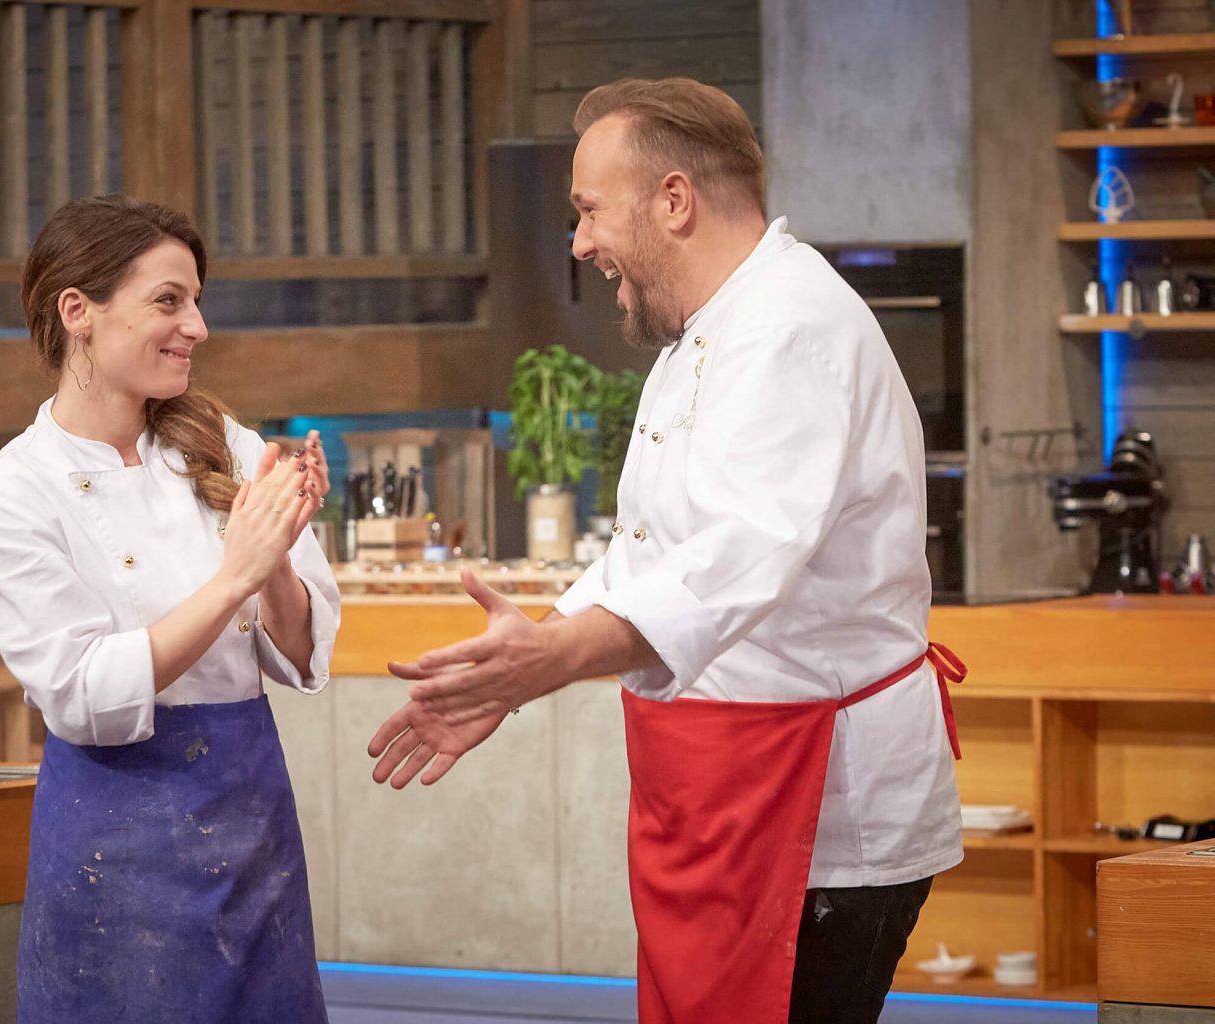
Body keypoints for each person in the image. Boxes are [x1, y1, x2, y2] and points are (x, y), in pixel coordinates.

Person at [367, 79, 965, 1024]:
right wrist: (528, 657)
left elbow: (732, 561)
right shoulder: (707, 333)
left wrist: (552, 659)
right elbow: (652, 550)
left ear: (674, 200)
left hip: (813, 806)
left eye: (589, 211)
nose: (580, 244)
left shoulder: (789, 328)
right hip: (723, 788)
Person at [0, 195, 338, 1024]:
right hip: (112, 853)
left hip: (252, 830)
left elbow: (304, 653)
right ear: (78, 312)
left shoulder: (225, 443)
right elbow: (84, 697)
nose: (196, 326)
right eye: (169, 301)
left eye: (196, 300)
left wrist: (274, 560)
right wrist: (233, 578)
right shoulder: (12, 497)